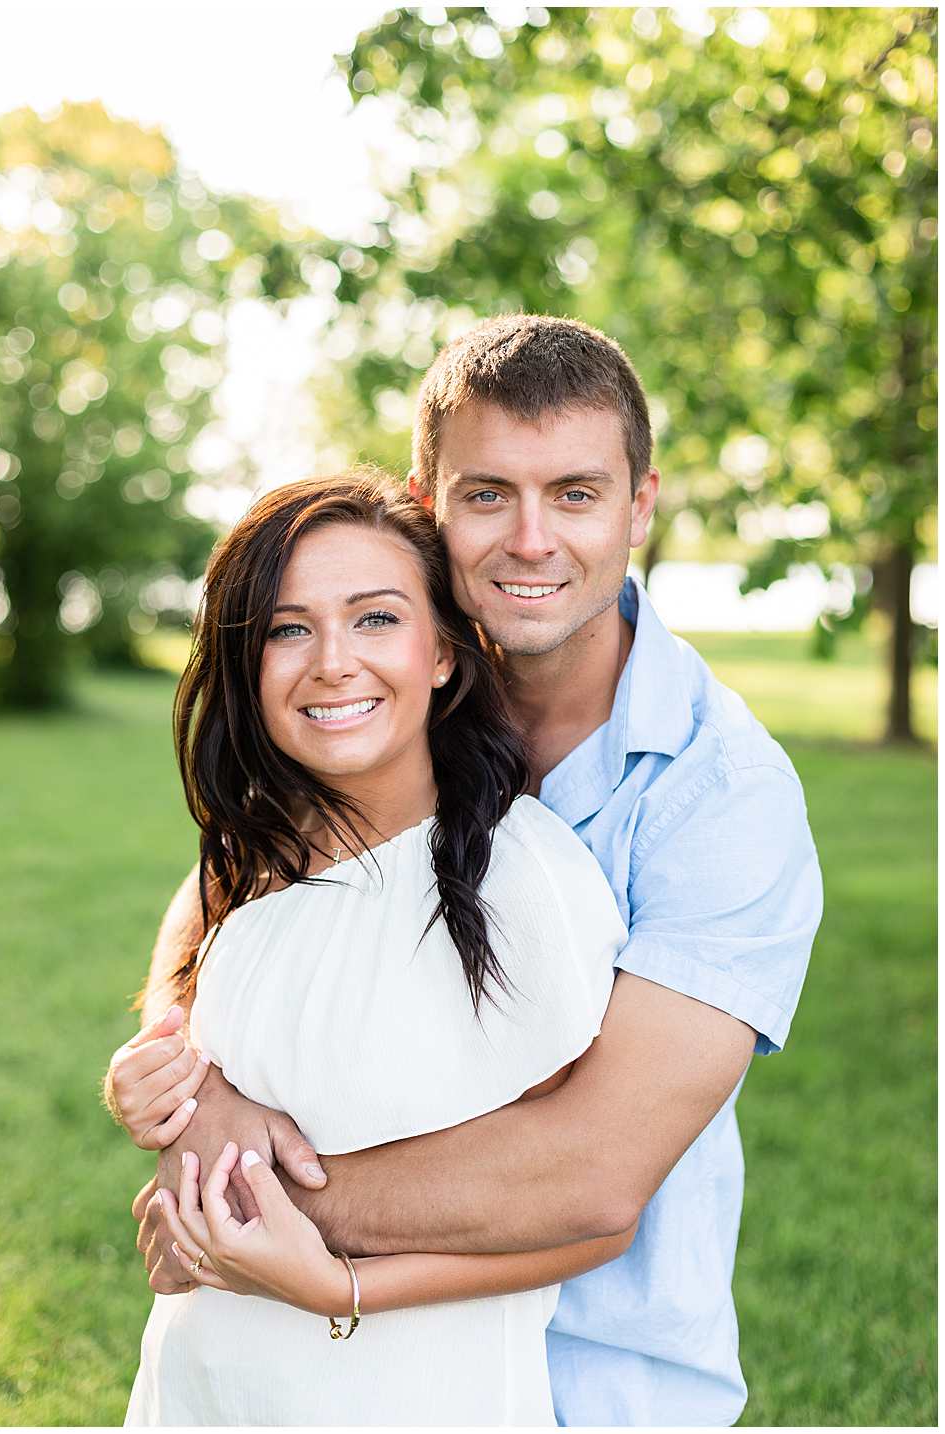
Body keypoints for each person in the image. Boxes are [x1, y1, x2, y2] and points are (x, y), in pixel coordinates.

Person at [128, 315, 821, 1425]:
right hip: (317, 1372)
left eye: (576, 494)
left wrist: (236, 1205)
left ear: (640, 505)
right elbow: (237, 881)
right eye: (488, 494)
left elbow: (591, 1172)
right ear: (428, 502)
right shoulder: (393, 681)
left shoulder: (721, 796)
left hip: (597, 1377)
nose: (530, 540)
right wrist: (194, 1088)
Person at [111, 471, 641, 1424]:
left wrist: (338, 1287)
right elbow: (205, 1007)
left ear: (443, 651)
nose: (332, 663)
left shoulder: (522, 882)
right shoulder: (251, 856)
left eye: (376, 619)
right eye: (288, 629)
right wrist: (178, 1088)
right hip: (199, 1392)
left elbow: (588, 1217)